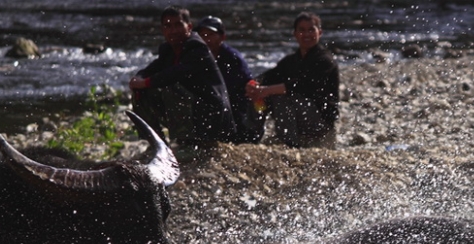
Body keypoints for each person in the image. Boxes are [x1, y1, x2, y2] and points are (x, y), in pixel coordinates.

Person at [129, 6, 235, 147]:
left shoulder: (197, 47)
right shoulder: (168, 49)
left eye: (178, 25)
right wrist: (138, 79)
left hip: (213, 119)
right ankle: (156, 143)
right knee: (141, 92)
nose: (173, 30)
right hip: (194, 113)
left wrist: (145, 82)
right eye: (168, 26)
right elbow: (153, 68)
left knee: (171, 88)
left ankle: (187, 143)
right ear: (163, 30)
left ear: (189, 27)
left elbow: (175, 74)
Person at [245, 12, 339, 148]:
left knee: (281, 96)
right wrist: (254, 85)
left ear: (320, 32)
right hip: (299, 118)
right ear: (295, 34)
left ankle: (289, 145)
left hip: (321, 124)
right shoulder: (291, 61)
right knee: (256, 94)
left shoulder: (325, 60)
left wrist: (266, 90)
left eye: (311, 30)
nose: (306, 34)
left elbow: (300, 85)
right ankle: (250, 137)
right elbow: (269, 76)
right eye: (302, 30)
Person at [196, 15, 264, 144]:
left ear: (222, 37)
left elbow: (248, 87)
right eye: (202, 35)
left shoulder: (233, 59)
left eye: (210, 35)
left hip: (235, 111)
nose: (205, 39)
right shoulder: (197, 56)